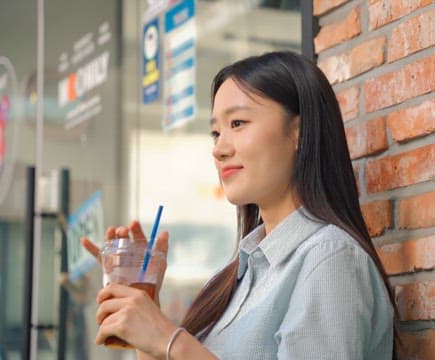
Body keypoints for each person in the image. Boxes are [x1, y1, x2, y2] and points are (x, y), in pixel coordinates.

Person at [82, 51, 396, 359]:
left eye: (237, 123)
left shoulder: (330, 258)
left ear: (298, 132)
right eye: (215, 132)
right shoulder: (238, 274)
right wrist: (145, 315)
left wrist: (170, 339)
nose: (219, 148)